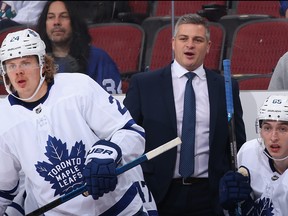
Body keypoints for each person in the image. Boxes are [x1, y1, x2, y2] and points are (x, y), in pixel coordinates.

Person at [0, 28, 157, 215]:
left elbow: (131, 132)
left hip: (119, 209)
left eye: (25, 63)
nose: (18, 72)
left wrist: (109, 153)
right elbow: (3, 187)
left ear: (42, 63)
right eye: (11, 65)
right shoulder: (4, 119)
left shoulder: (78, 87)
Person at [124, 13, 246, 216]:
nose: (190, 45)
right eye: (183, 39)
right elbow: (126, 136)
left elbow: (237, 142)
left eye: (198, 40)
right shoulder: (144, 84)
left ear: (208, 46)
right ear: (173, 43)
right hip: (158, 195)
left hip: (210, 196)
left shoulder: (225, 87)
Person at [219, 94, 288, 215]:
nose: (273, 137)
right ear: (260, 131)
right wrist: (234, 204)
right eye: (267, 128)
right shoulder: (249, 152)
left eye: (282, 129)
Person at [36, 0, 122, 94]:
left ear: (74, 22)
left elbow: (110, 103)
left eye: (64, 16)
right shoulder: (35, 60)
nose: (56, 22)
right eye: (51, 17)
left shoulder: (98, 58)